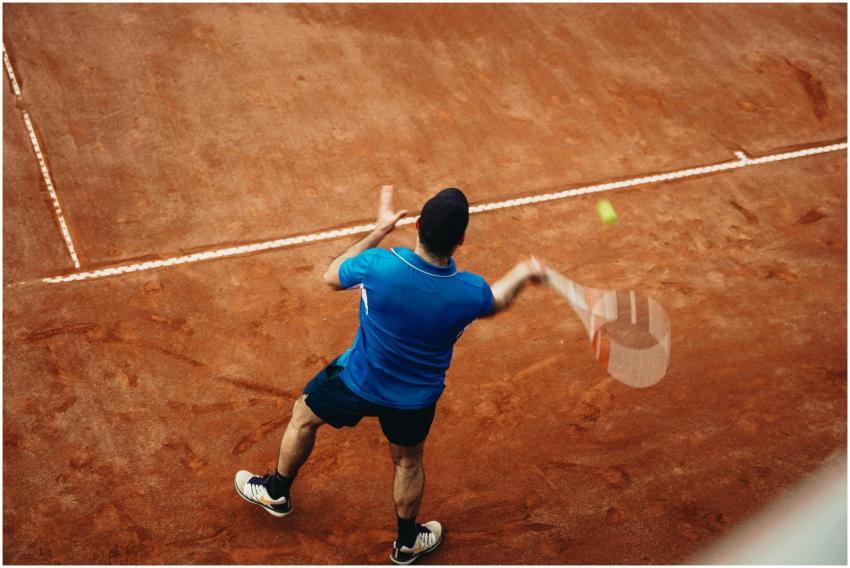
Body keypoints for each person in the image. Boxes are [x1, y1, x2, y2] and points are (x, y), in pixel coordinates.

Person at [235, 186, 545, 564]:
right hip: (415, 401)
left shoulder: (380, 266)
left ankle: (277, 492)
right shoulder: (470, 292)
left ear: (416, 225)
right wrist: (523, 272)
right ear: (461, 240)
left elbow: (331, 276)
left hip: (356, 382)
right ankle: (405, 543)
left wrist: (379, 230)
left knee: (303, 416)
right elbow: (496, 302)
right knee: (408, 462)